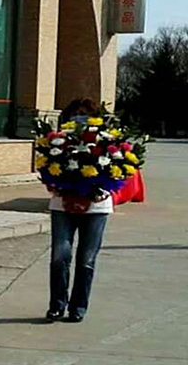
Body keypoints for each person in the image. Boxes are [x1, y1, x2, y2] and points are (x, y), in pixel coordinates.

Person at [46, 98, 112, 323]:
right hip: (62, 205)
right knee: (59, 256)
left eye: (85, 114)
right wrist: (53, 183)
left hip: (96, 208)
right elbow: (46, 167)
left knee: (86, 259)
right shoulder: (57, 142)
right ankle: (57, 305)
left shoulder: (107, 142)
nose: (80, 118)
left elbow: (120, 172)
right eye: (76, 114)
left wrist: (101, 191)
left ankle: (78, 307)